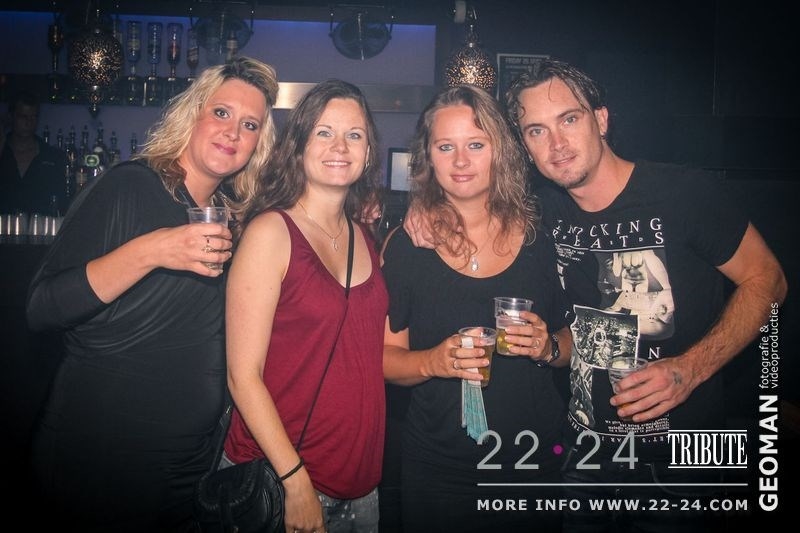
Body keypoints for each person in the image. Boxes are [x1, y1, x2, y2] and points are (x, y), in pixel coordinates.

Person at [500, 59, 787, 531]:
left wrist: (690, 369)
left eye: (569, 119)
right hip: (586, 456)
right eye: (536, 130)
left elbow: (768, 279)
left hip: (684, 460)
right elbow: (586, 331)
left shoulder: (682, 192)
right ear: (526, 146)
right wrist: (549, 347)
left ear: (601, 120)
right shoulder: (546, 214)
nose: (556, 143)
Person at [25, 56, 279, 532]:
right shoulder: (128, 185)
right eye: (221, 112)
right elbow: (42, 308)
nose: (232, 132)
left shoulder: (230, 217)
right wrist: (154, 249)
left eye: (250, 124)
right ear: (193, 114)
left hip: (187, 465)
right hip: (103, 454)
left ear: (258, 143)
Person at [381, 84, 572, 533]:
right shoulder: (408, 246)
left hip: (532, 463)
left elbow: (573, 343)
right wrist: (433, 361)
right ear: (428, 158)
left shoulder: (542, 235)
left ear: (499, 150)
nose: (461, 161)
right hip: (438, 469)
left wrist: (546, 346)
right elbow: (384, 359)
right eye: (445, 147)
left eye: (476, 145)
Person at [223, 79, 388, 533]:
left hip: (361, 485)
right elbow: (242, 376)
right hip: (283, 480)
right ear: (298, 146)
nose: (340, 146)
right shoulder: (271, 233)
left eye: (354, 135)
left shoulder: (365, 238)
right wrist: (295, 482)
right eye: (324, 132)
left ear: (368, 152)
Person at [0, 90, 69, 214]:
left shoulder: (52, 157)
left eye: (34, 117)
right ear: (11, 117)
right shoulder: (2, 152)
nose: (29, 122)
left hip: (39, 225)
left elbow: (62, 201)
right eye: (23, 117)